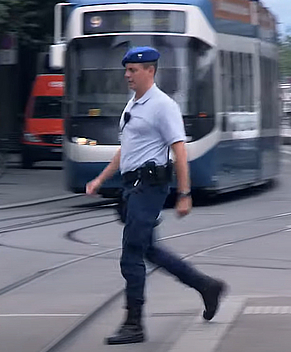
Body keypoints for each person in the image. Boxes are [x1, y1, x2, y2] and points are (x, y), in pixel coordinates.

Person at [86, 46, 227, 345]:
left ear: (150, 71)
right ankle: (206, 286)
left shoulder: (163, 105)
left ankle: (134, 324)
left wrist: (185, 193)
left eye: (133, 70)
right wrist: (100, 178)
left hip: (148, 188)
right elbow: (127, 150)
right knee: (149, 250)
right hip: (132, 187)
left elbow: (179, 149)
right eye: (126, 70)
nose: (127, 75)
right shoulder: (133, 105)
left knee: (131, 256)